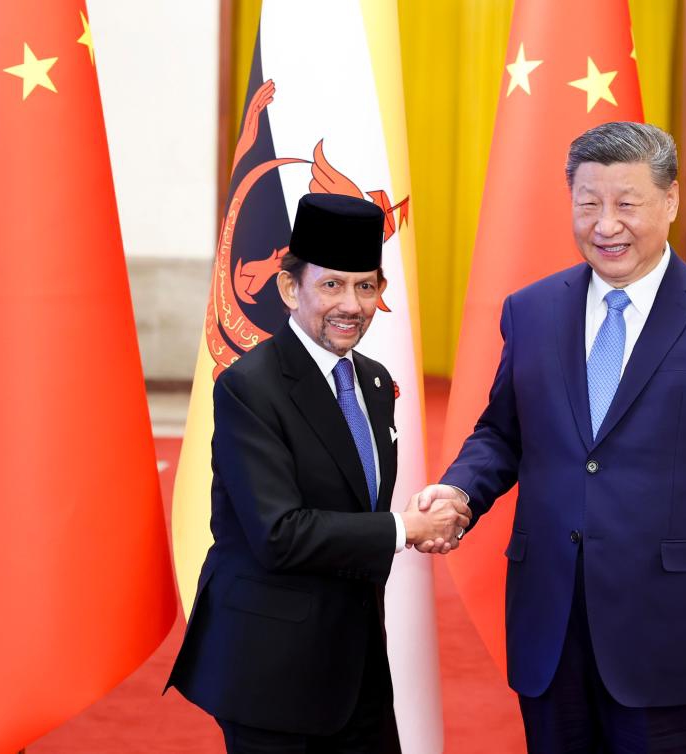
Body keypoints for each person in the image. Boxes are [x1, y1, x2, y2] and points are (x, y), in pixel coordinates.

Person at [414, 122, 686, 753]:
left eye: (627, 203)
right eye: (588, 203)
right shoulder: (531, 311)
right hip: (551, 622)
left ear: (670, 201)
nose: (605, 224)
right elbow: (503, 433)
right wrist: (459, 491)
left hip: (672, 630)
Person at [166, 193, 470, 753]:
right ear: (290, 288)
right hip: (274, 672)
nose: (351, 304)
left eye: (366, 286)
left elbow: (358, 506)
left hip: (358, 669)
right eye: (331, 285)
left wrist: (419, 517)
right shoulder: (249, 388)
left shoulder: (375, 383)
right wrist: (405, 530)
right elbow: (280, 534)